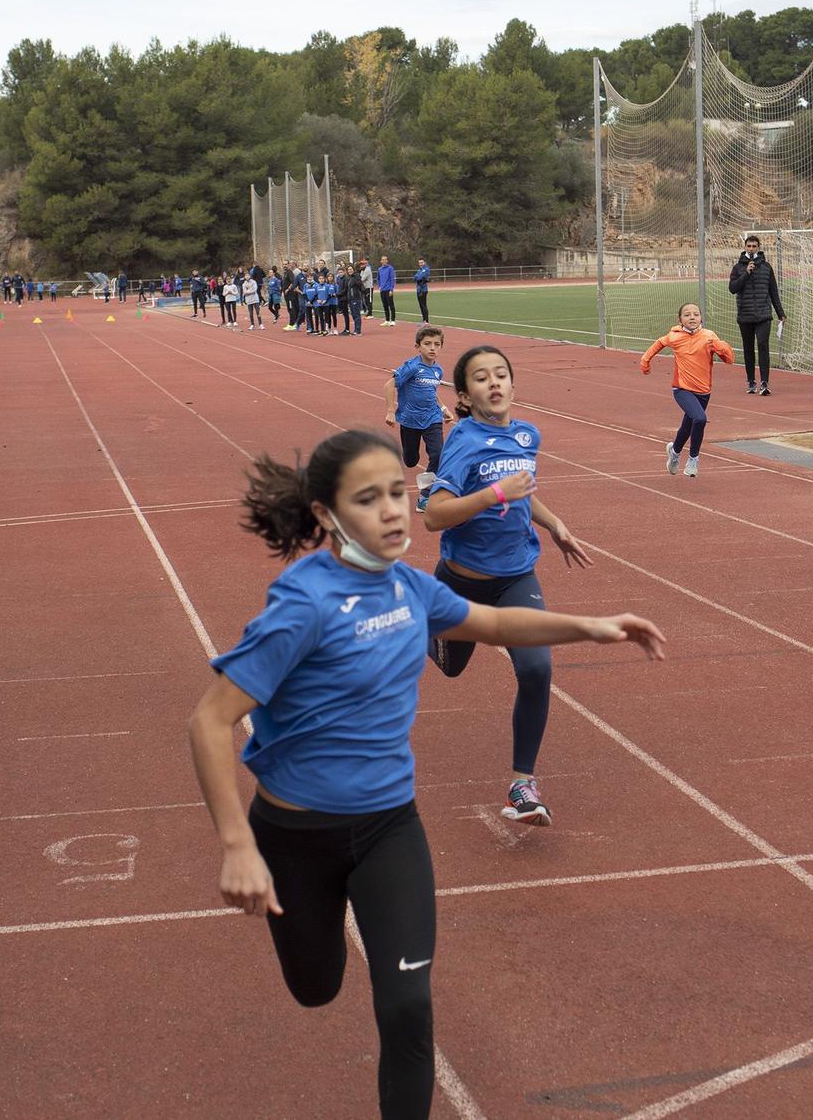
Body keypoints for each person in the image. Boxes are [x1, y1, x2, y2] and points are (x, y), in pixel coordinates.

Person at [188, 429, 664, 1120]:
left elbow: (493, 622)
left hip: (389, 828)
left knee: (409, 1006)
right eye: (367, 499)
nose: (392, 511)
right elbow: (209, 721)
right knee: (316, 988)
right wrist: (237, 845)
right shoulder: (303, 604)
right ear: (325, 514)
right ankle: (315, 926)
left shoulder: (410, 588)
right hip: (295, 835)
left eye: (397, 493)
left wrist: (590, 626)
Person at [420, 345, 591, 826]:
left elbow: (523, 493)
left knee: (537, 669)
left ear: (513, 385)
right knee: (451, 669)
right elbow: (434, 515)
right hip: (462, 584)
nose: (493, 382)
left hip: (516, 577)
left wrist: (554, 524)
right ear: (464, 396)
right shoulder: (463, 442)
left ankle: (522, 784)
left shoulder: (526, 435)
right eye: (481, 377)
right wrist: (496, 492)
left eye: (501, 374)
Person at [639, 303, 737, 477]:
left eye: (696, 314)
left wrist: (720, 345)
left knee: (688, 426)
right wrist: (645, 361)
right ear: (680, 320)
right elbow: (658, 344)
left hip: (704, 392)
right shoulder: (674, 336)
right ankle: (693, 459)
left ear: (701, 318)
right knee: (700, 418)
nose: (692, 317)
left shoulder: (709, 336)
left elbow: (729, 359)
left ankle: (674, 452)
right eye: (687, 315)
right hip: (682, 389)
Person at [383, 326, 452, 497]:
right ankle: (410, 457)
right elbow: (389, 385)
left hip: (432, 418)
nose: (432, 348)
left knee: (438, 455)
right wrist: (391, 411)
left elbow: (431, 391)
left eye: (437, 344)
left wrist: (443, 408)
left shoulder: (438, 370)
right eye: (427, 344)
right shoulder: (412, 367)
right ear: (418, 347)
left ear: (441, 347)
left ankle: (425, 494)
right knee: (411, 461)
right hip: (410, 420)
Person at [726, 234, 787, 396]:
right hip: (745, 315)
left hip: (763, 314)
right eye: (749, 246)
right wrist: (746, 273)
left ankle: (765, 382)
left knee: (763, 345)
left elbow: (773, 291)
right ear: (745, 247)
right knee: (748, 349)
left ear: (759, 248)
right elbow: (732, 288)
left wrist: (780, 313)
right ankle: (751, 381)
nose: (751, 249)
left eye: (754, 246)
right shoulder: (737, 268)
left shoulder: (766, 267)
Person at [377, 256, 398, 326]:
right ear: (381, 261)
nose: (384, 261)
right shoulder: (379, 269)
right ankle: (387, 320)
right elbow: (378, 278)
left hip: (388, 290)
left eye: (385, 259)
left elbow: (392, 279)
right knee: (385, 305)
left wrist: (391, 289)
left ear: (387, 261)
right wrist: (379, 286)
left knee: (391, 305)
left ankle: (393, 320)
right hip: (382, 290)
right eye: (383, 260)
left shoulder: (390, 268)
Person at [412, 258, 431, 323]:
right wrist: (417, 277)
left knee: (423, 305)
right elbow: (414, 278)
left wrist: (418, 277)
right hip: (418, 289)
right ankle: (424, 320)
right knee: (421, 306)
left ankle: (426, 321)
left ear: (424, 262)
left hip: (423, 289)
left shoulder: (426, 269)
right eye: (419, 263)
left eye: (422, 262)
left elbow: (420, 277)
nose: (420, 264)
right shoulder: (419, 270)